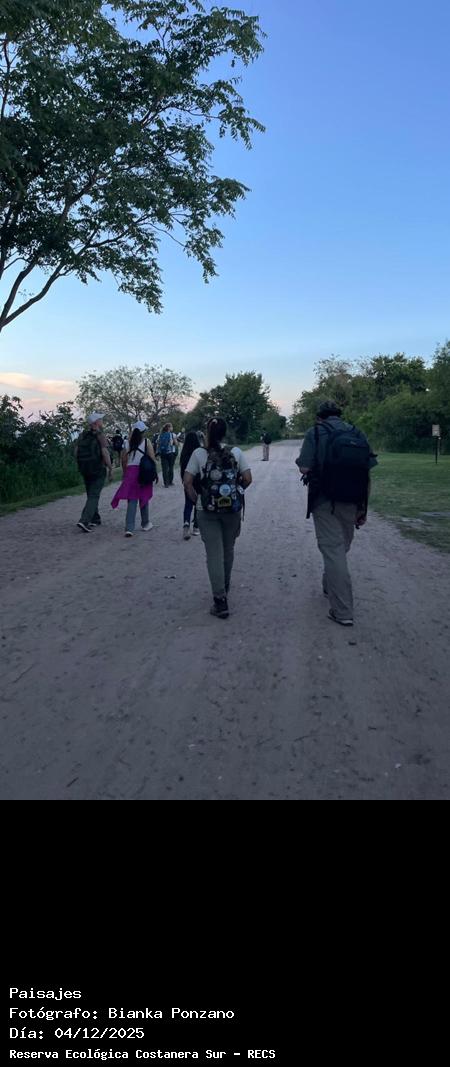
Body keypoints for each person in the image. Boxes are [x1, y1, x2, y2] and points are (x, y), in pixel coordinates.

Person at [296, 401, 377, 627]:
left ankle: (342, 611)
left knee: (333, 549)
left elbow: (304, 467)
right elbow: (367, 473)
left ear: (319, 416)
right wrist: (363, 507)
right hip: (353, 500)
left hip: (324, 500)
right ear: (339, 415)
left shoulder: (315, 432)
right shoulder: (356, 433)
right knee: (340, 548)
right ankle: (329, 585)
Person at [184, 418, 252, 618]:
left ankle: (220, 600)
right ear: (225, 432)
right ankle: (225, 586)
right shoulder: (236, 452)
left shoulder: (199, 454)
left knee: (214, 553)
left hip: (207, 510)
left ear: (207, 432)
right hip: (231, 510)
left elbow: (187, 481)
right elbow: (248, 478)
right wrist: (236, 492)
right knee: (228, 550)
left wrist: (197, 499)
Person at [111, 421, 157, 537]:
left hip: (131, 472)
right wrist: (154, 472)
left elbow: (124, 460)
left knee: (132, 500)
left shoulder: (127, 443)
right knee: (144, 497)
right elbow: (152, 457)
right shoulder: (146, 442)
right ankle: (145, 523)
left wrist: (125, 473)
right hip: (143, 472)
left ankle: (129, 528)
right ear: (143, 431)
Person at [76, 413, 113, 533]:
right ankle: (84, 520)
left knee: (91, 494)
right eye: (100, 419)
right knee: (94, 495)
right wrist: (110, 468)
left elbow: (76, 452)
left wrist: (81, 465)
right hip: (98, 469)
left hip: (85, 469)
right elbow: (105, 453)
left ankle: (95, 518)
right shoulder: (100, 436)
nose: (102, 421)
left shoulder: (82, 436)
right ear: (96, 423)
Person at [179, 431, 201, 540]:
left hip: (188, 481)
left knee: (188, 504)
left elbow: (182, 471)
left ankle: (186, 523)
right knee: (198, 503)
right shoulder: (199, 453)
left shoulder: (184, 454)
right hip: (198, 481)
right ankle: (196, 527)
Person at [158, 422, 178, 487]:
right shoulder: (172, 435)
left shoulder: (161, 435)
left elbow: (158, 444)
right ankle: (170, 482)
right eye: (171, 426)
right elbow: (176, 444)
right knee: (171, 467)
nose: (172, 428)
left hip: (163, 453)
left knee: (164, 469)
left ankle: (166, 483)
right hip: (170, 453)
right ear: (169, 428)